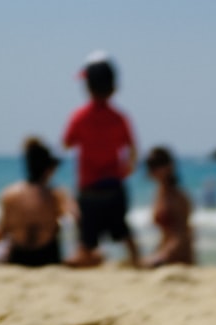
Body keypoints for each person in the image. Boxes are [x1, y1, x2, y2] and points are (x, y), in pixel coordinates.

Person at [62, 51, 140, 268]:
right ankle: (137, 263)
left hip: (88, 187)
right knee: (123, 231)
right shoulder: (119, 118)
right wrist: (126, 170)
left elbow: (67, 143)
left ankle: (85, 259)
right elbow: (133, 151)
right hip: (114, 184)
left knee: (87, 236)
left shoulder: (79, 117)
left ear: (87, 86)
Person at [0, 137, 75, 267]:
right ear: (48, 169)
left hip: (17, 255)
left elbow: (1, 231)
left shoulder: (9, 194)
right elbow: (73, 219)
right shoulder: (56, 194)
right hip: (48, 256)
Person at [143, 146, 194, 267]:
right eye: (149, 165)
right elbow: (166, 235)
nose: (151, 170)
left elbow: (181, 234)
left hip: (178, 259)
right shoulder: (160, 193)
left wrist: (163, 256)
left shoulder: (178, 197)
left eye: (155, 165)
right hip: (166, 254)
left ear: (169, 167)